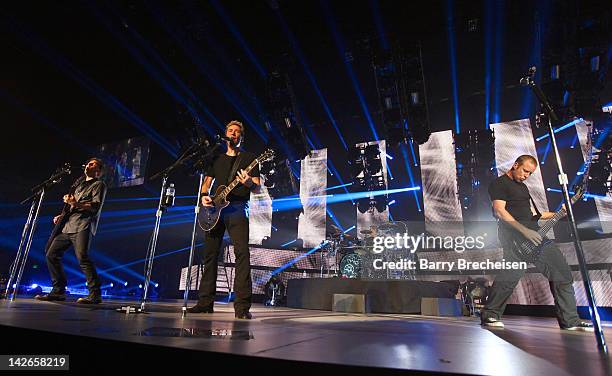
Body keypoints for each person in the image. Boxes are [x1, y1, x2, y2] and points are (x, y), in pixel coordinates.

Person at [480, 155, 592, 331]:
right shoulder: (499, 184)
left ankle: (570, 321)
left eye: (530, 174)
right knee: (509, 278)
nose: (526, 175)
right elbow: (500, 212)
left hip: (534, 235)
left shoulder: (523, 188)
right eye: (525, 171)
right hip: (515, 237)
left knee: (561, 273)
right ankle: (490, 315)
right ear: (515, 165)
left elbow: (533, 216)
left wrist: (561, 211)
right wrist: (524, 231)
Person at [187, 120, 260, 319]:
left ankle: (242, 307)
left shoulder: (250, 159)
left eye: (237, 132)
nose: (233, 134)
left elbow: (258, 186)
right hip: (214, 211)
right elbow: (206, 184)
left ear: (241, 137)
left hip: (237, 209)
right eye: (230, 131)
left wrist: (248, 183)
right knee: (210, 255)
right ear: (226, 134)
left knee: (241, 254)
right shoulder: (216, 159)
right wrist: (204, 196)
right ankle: (205, 303)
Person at [36, 157, 107, 304]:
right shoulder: (78, 184)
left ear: (98, 172)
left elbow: (94, 207)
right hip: (68, 226)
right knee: (51, 254)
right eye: (89, 163)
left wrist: (75, 202)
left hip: (82, 225)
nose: (89, 165)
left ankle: (95, 295)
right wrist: (61, 215)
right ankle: (58, 291)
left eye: (94, 164)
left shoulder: (99, 184)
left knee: (83, 258)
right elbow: (71, 206)